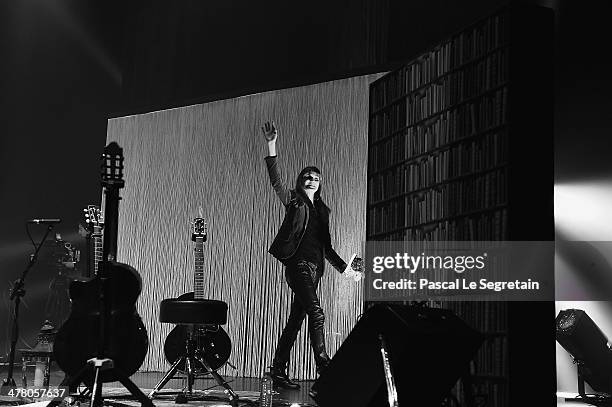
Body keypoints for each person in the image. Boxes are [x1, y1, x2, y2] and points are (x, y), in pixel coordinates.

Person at [261, 121, 362, 390]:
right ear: (301, 180)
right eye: (307, 176)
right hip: (297, 265)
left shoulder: (324, 212)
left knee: (297, 320)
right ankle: (324, 365)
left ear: (320, 184)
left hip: (316, 268)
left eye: (315, 178)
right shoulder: (293, 200)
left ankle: (277, 370)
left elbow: (327, 248)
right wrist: (272, 144)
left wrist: (347, 270)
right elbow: (275, 180)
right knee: (316, 313)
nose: (311, 180)